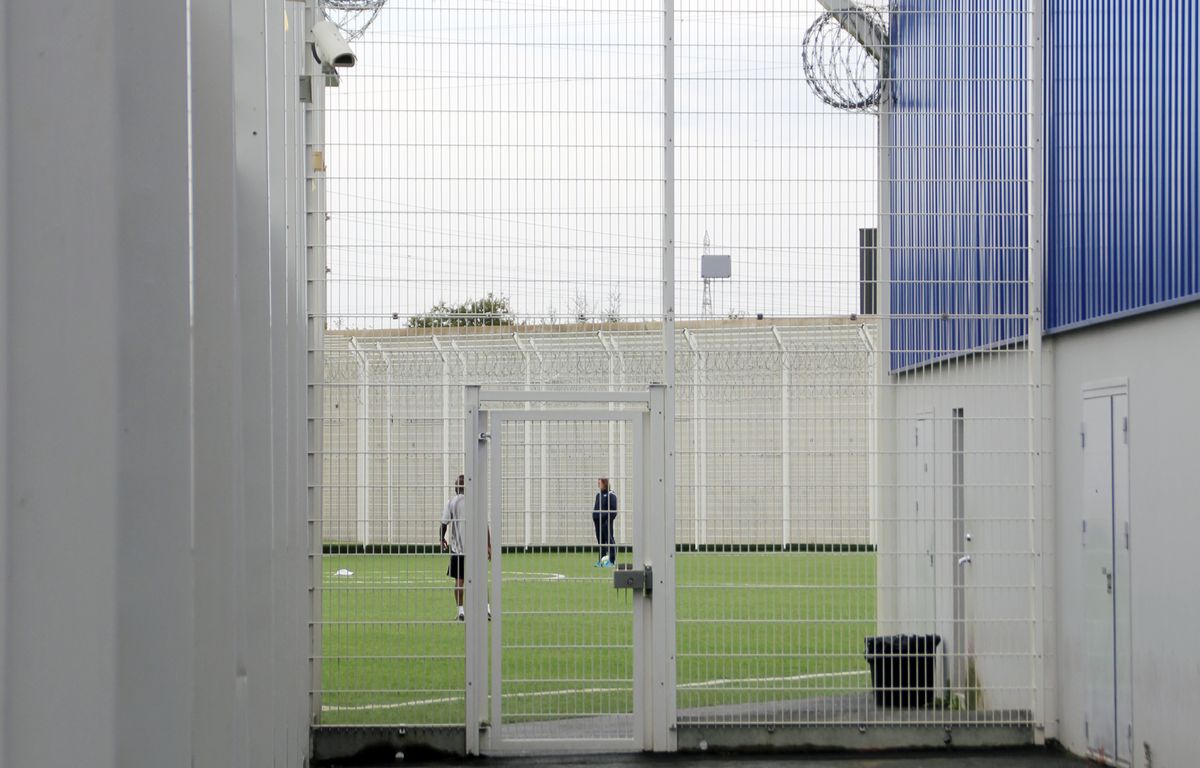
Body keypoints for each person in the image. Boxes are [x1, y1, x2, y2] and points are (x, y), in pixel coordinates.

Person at [439, 474, 491, 621]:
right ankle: (486, 610)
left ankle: (461, 612)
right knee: (480, 579)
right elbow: (484, 524)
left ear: (456, 488)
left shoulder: (451, 503)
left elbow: (443, 523)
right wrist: (488, 545)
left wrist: (441, 539)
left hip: (458, 549)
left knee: (459, 580)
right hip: (475, 549)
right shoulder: (476, 501)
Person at [592, 477, 618, 567]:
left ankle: (612, 561)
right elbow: (596, 508)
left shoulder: (611, 495)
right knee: (600, 542)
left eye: (600, 483)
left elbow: (613, 511)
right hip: (598, 523)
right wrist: (595, 518)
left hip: (606, 523)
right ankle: (601, 561)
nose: (598, 484)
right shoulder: (598, 495)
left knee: (609, 540)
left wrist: (607, 520)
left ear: (605, 483)